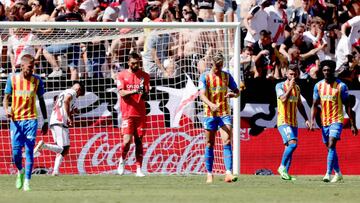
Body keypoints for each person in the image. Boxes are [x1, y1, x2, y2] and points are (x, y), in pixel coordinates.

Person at [2, 54, 48, 191]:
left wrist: (45, 120)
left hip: (31, 120)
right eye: (29, 67)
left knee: (29, 151)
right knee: (16, 154)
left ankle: (27, 182)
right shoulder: (12, 79)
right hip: (16, 121)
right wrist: (6, 110)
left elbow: (42, 100)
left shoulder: (37, 80)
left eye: (33, 68)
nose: (31, 70)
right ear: (21, 66)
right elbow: (5, 99)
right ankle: (20, 171)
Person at [310, 60, 358, 183]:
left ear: (332, 71)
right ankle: (338, 172)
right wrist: (312, 121)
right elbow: (314, 105)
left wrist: (353, 124)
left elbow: (348, 106)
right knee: (330, 148)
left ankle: (327, 174)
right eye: (324, 70)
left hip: (337, 119)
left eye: (328, 70)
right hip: (324, 121)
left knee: (332, 144)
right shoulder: (318, 86)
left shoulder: (341, 86)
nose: (326, 72)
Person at [198, 52, 240, 183]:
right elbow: (202, 95)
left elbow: (237, 91)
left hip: (224, 113)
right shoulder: (205, 77)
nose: (219, 68)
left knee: (227, 141)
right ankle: (209, 173)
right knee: (210, 143)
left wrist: (233, 95)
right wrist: (211, 105)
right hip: (210, 114)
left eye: (221, 66)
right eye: (217, 66)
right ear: (212, 64)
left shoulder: (227, 76)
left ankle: (228, 173)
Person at [33, 81, 85, 176]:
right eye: (79, 95)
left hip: (54, 120)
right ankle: (43, 145)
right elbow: (66, 101)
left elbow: (62, 103)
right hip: (61, 121)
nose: (77, 96)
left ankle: (55, 171)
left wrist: (73, 110)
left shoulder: (64, 92)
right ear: (78, 89)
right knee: (64, 149)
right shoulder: (72, 92)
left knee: (62, 148)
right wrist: (69, 117)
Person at [116, 52, 150, 177]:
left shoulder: (144, 76)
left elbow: (145, 96)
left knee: (139, 141)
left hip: (140, 113)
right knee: (127, 141)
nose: (136, 65)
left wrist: (145, 92)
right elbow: (122, 93)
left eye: (138, 63)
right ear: (128, 63)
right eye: (133, 63)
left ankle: (138, 169)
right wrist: (136, 90)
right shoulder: (121, 75)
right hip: (127, 113)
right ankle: (122, 161)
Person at [275, 65, 310, 181]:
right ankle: (281, 167)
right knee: (293, 144)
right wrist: (290, 87)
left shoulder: (298, 88)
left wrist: (306, 119)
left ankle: (286, 173)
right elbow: (284, 99)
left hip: (293, 123)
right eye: (291, 74)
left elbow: (299, 104)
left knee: (289, 147)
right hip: (283, 121)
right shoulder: (279, 86)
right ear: (286, 74)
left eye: (295, 74)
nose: (293, 76)